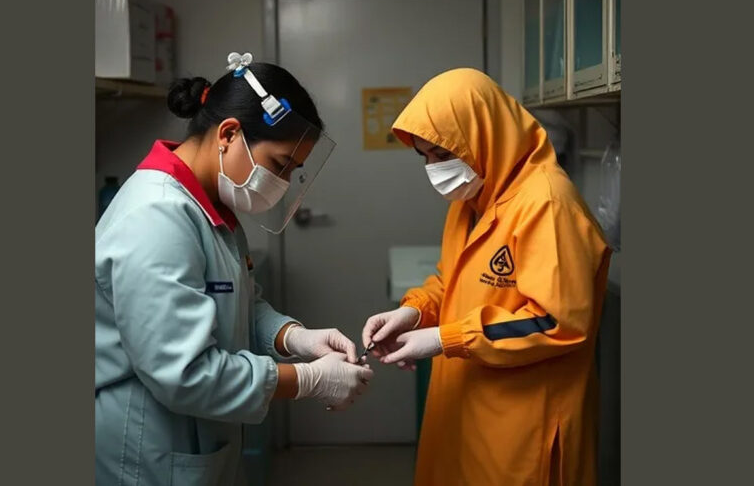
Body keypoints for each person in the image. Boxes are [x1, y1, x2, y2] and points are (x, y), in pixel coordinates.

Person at [95, 53, 373, 486]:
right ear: (228, 134)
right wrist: (307, 380)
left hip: (193, 445)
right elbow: (184, 374)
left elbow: (240, 298)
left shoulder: (210, 204)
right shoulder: (157, 215)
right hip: (146, 455)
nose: (281, 184)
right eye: (280, 165)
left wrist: (294, 337)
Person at [362, 68, 611, 485]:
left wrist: (446, 338)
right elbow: (453, 282)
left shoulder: (547, 204)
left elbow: (557, 322)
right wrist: (413, 314)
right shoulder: (474, 196)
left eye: (443, 155)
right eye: (425, 156)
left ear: (484, 134)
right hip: (470, 409)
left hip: (524, 425)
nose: (434, 168)